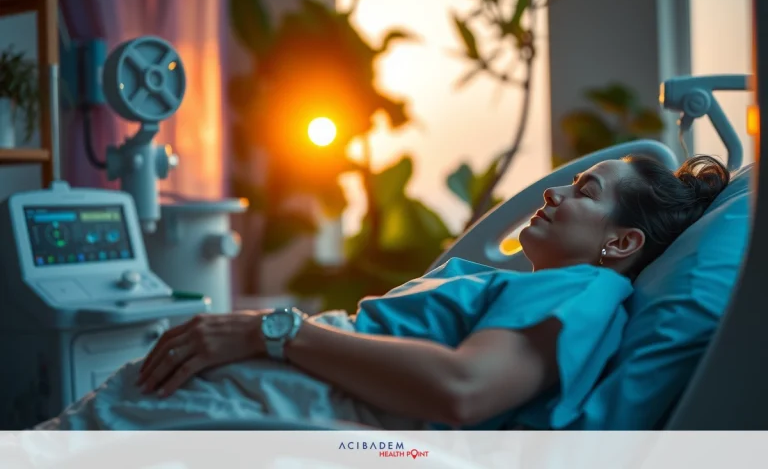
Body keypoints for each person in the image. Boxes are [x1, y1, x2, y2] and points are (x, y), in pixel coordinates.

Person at [36, 155, 729, 431]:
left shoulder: (580, 288)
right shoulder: (529, 285)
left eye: (584, 191)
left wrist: (269, 332)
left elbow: (465, 390)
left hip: (280, 407)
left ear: (621, 243)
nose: (553, 194)